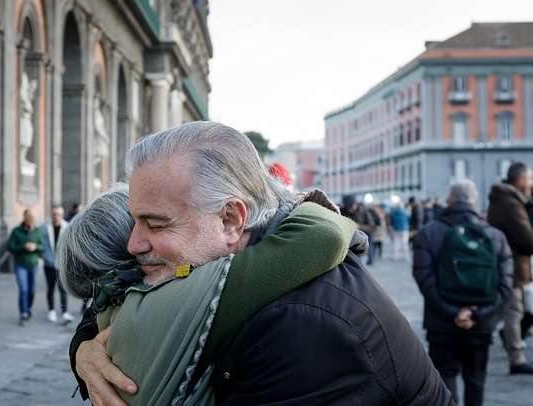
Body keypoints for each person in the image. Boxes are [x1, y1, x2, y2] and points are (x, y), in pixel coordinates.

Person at [70, 121, 453, 406]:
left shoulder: (303, 323)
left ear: (231, 220)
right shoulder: (205, 264)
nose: (134, 243)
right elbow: (120, 294)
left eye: (155, 223)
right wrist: (85, 349)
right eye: (135, 219)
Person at [58, 184, 357, 405]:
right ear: (136, 257)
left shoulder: (118, 307)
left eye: (155, 223)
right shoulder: (193, 294)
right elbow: (323, 235)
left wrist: (82, 350)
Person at [413, 179, 513, 406]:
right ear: (475, 201)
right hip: (481, 325)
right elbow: (506, 287)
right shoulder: (496, 236)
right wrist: (476, 315)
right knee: (476, 381)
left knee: (444, 384)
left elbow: (424, 279)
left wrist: (453, 312)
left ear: (449, 199)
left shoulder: (429, 233)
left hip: (441, 324)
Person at [487, 162, 533, 374]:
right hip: (512, 265)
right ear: (521, 180)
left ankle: (503, 337)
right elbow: (527, 239)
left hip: (509, 264)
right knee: (514, 309)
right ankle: (517, 358)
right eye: (529, 179)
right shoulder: (511, 203)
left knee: (509, 308)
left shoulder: (507, 200)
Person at [7, 209, 44, 324]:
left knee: (31, 290)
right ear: (24, 218)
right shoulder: (16, 231)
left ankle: (28, 308)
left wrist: (36, 247)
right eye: (29, 218)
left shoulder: (38, 231)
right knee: (23, 289)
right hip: (20, 264)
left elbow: (43, 247)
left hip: (33, 264)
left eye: (33, 218)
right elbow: (10, 247)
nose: (32, 220)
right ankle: (23, 312)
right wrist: (23, 246)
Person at [40, 205, 73, 324]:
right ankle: (51, 311)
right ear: (51, 214)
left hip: (62, 264)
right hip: (48, 263)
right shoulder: (44, 227)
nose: (56, 216)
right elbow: (40, 243)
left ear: (62, 215)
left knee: (63, 289)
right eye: (54, 214)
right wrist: (43, 255)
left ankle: (65, 312)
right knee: (50, 288)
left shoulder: (68, 227)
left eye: (58, 214)